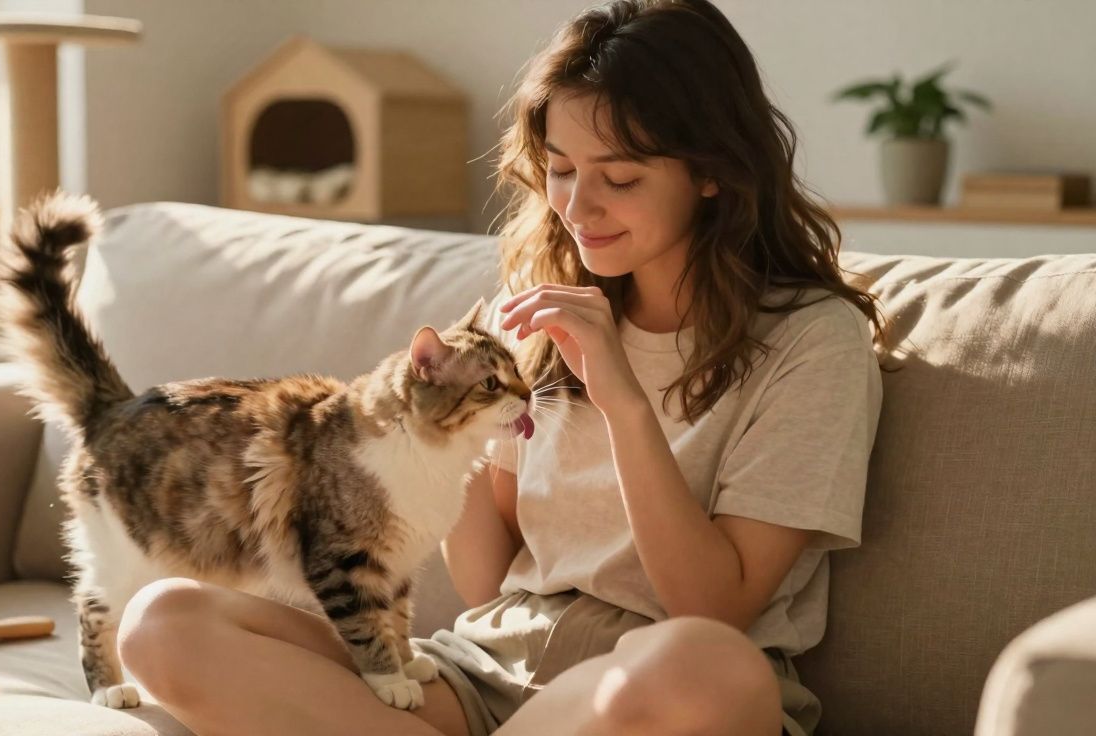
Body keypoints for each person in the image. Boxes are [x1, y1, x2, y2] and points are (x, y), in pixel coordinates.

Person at [116, 1, 890, 734]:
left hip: (655, 692)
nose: (578, 209)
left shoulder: (811, 342)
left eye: (619, 178)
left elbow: (711, 607)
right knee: (164, 623)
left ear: (712, 171)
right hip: (484, 674)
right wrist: (432, 430)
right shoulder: (538, 315)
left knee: (710, 666)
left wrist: (622, 401)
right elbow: (486, 583)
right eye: (560, 169)